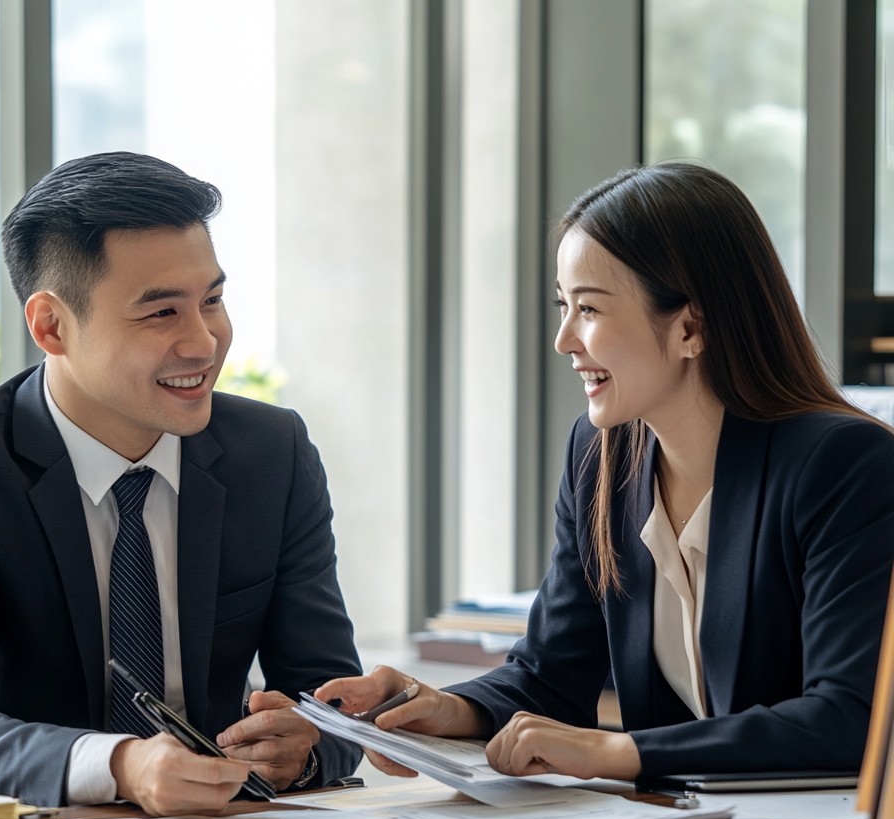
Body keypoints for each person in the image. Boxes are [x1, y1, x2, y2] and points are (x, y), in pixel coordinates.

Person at [317, 161, 894, 783]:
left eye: (588, 309)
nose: (565, 339)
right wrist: (446, 707)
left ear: (690, 327)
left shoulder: (842, 465)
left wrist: (617, 753)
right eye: (563, 306)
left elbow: (849, 719)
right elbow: (550, 675)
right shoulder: (602, 459)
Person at [0, 151, 362, 814]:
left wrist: (309, 743)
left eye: (213, 301)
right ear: (52, 326)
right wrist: (120, 766)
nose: (205, 342)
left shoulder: (271, 453)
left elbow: (332, 694)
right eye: (161, 314)